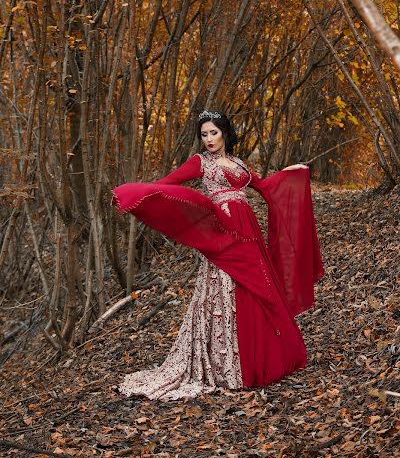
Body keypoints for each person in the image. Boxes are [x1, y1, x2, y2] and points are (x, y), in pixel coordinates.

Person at [112, 110, 323, 401]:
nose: (209, 139)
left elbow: (266, 188)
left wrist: (293, 173)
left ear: (224, 132)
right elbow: (168, 183)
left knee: (258, 287)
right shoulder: (201, 162)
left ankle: (264, 361)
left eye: (214, 132)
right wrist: (138, 194)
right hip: (222, 233)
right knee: (224, 288)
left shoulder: (238, 164)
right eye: (204, 134)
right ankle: (230, 366)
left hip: (248, 234)